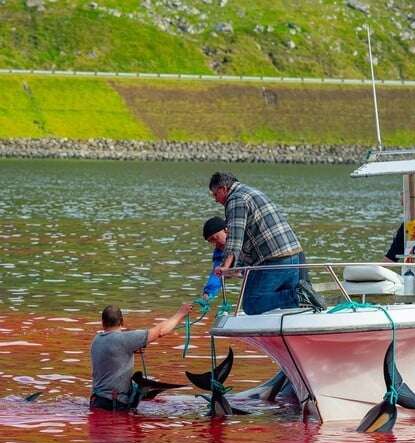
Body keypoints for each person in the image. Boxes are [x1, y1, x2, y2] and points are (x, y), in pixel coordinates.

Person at [208, 171, 326, 315]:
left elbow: (235, 237)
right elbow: (252, 239)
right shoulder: (252, 192)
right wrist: (236, 268)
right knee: (289, 310)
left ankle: (299, 297)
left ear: (224, 189)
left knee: (251, 303)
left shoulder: (235, 199)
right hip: (294, 255)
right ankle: (300, 302)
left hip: (274, 259)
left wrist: (227, 266)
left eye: (215, 194)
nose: (215, 200)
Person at [90, 301, 194, 411]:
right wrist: (180, 314)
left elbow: (110, 357)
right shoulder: (124, 339)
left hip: (96, 401)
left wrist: (131, 351)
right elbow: (160, 331)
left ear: (102, 323)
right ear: (122, 321)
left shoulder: (96, 340)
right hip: (115, 404)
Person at [202, 216, 227, 301]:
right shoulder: (220, 252)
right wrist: (208, 293)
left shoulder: (246, 239)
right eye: (210, 242)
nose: (214, 244)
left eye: (214, 239)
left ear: (225, 230)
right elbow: (216, 275)